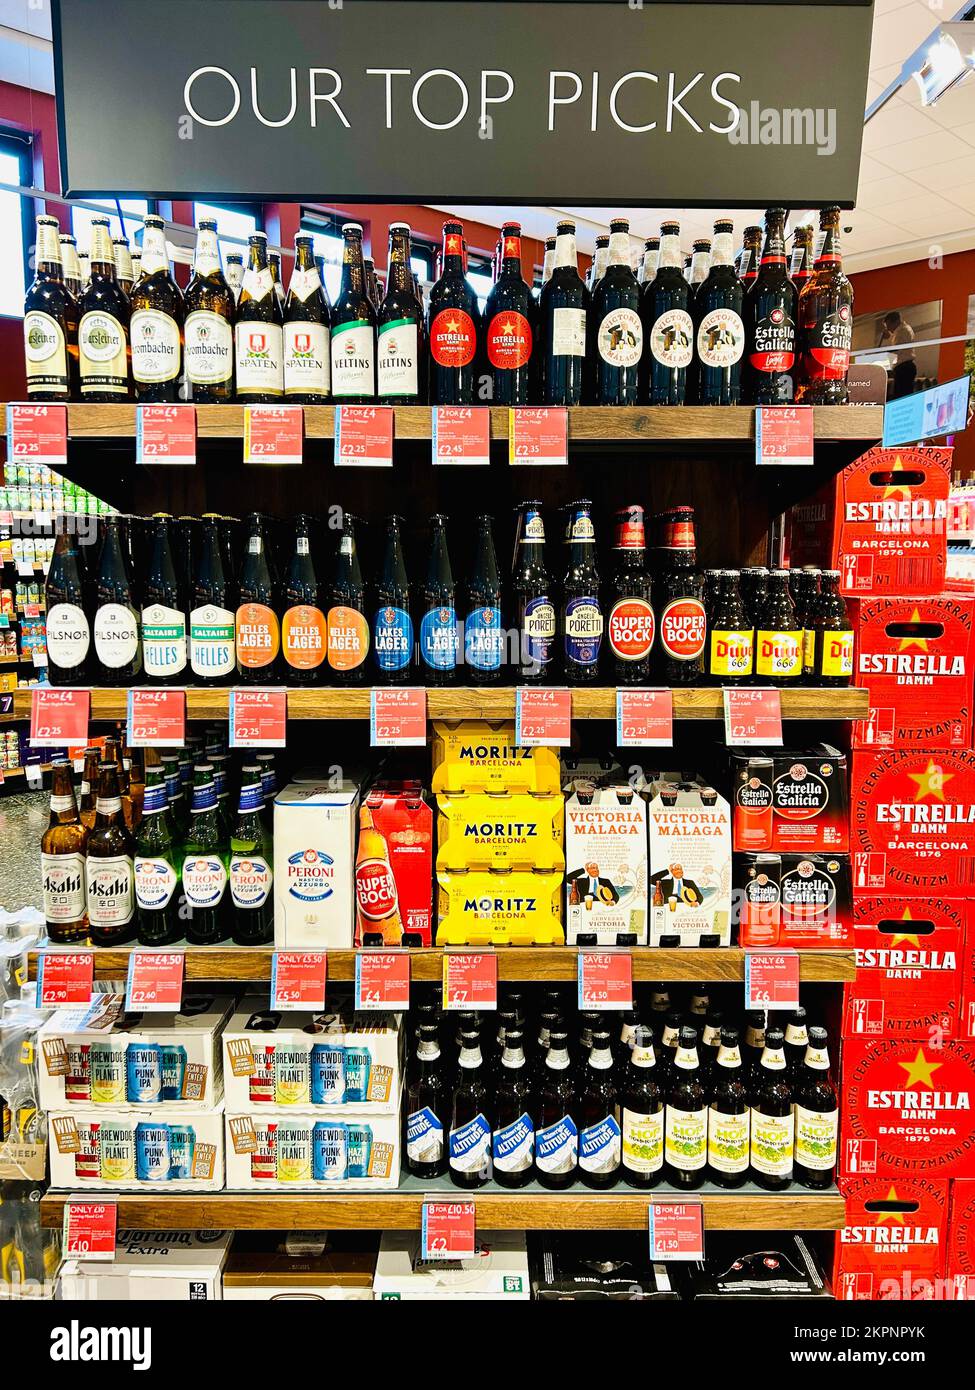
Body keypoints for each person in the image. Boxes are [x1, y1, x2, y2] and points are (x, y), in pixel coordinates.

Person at [877, 310, 916, 399]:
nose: (888, 329)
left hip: (904, 368)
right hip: (905, 367)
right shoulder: (904, 329)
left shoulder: (902, 331)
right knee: (903, 395)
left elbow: (896, 349)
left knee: (901, 396)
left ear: (894, 322)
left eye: (888, 326)